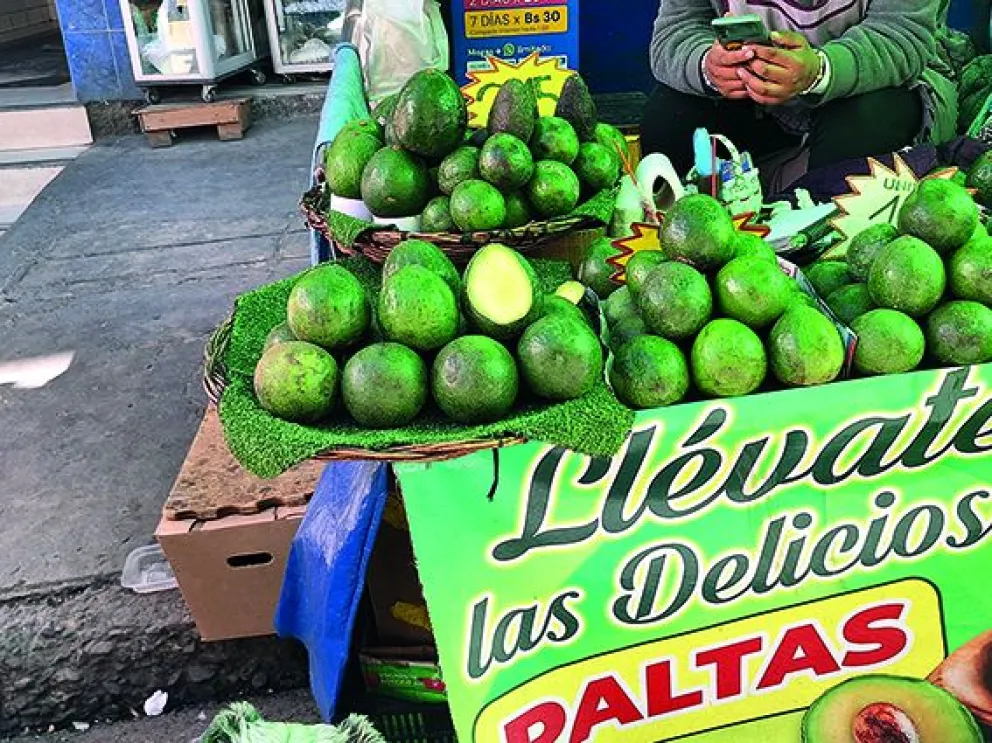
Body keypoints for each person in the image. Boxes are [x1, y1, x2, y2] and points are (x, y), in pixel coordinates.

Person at [641, 0, 958, 177]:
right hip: (758, 103)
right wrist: (711, 67)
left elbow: (903, 36)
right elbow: (676, 31)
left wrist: (818, 72)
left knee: (867, 123)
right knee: (669, 118)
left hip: (882, 88)